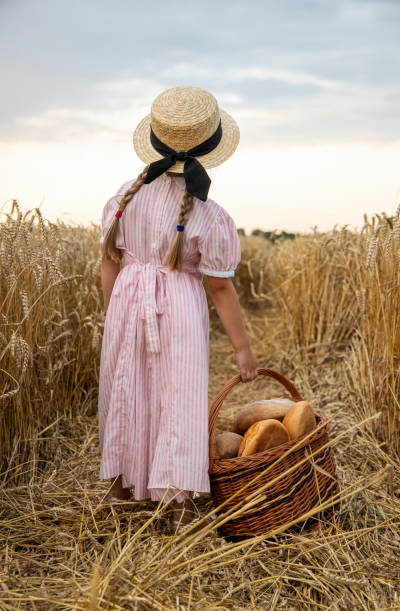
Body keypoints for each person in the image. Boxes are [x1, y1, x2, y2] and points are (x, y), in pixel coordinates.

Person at [98, 86, 257, 530]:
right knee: (179, 396)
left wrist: (114, 312)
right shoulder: (210, 214)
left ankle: (120, 488)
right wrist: (243, 349)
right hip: (181, 309)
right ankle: (178, 502)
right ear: (208, 151)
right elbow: (220, 289)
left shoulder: (124, 197)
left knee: (127, 390)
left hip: (128, 300)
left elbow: (110, 261)